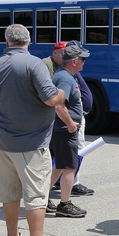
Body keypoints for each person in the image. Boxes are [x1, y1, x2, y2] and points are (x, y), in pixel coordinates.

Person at [0, 24, 67, 236]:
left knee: (9, 193)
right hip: (32, 142)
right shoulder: (34, 64)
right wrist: (62, 93)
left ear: (6, 42)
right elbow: (50, 98)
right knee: (36, 195)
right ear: (29, 41)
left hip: (4, 143)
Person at [48, 42, 89, 218]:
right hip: (65, 129)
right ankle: (64, 204)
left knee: (59, 166)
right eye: (82, 59)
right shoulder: (65, 78)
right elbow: (58, 104)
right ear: (73, 61)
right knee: (70, 167)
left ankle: (42, 198)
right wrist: (71, 124)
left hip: (62, 129)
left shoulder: (66, 76)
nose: (84, 62)